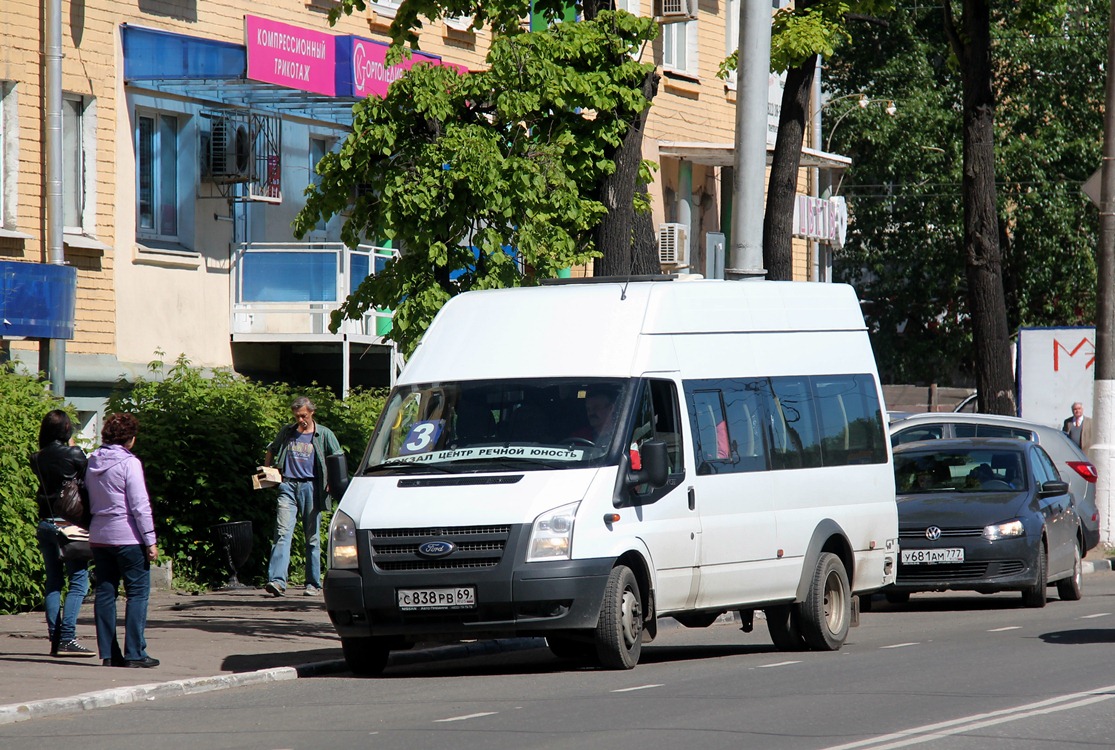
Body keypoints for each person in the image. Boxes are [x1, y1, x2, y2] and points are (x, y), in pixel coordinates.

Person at [86, 413, 160, 668]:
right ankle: (135, 653)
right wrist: (150, 540)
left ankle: (108, 653)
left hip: (99, 536)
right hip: (128, 536)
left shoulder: (92, 460)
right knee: (137, 594)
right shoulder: (130, 463)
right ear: (130, 440)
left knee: (105, 593)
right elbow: (140, 505)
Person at [28, 410, 95, 657]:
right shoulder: (75, 453)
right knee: (78, 580)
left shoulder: (36, 457)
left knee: (53, 581)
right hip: (70, 525)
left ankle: (56, 637)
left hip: (46, 523)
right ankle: (67, 637)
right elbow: (88, 477)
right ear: (67, 430)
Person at [262, 397, 343, 597]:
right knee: (282, 533)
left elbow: (338, 457)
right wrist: (268, 470)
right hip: (287, 486)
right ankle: (277, 581)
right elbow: (271, 449)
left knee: (313, 537)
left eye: (304, 415)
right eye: (297, 416)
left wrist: (332, 481)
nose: (300, 420)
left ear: (312, 413)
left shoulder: (323, 434)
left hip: (312, 487)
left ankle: (313, 583)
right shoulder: (288, 432)